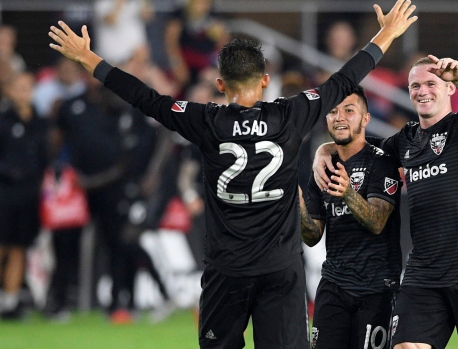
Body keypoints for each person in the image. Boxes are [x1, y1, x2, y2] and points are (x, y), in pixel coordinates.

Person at [48, 0, 417, 347]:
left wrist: (87, 57)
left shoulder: (206, 120)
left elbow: (145, 97)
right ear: (265, 80)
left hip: (227, 270)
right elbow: (343, 78)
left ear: (221, 84)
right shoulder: (290, 115)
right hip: (280, 271)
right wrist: (386, 34)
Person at [313, 55, 458, 349]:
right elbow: (360, 149)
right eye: (415, 86)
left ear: (449, 89)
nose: (422, 91)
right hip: (424, 272)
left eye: (431, 83)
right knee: (406, 346)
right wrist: (326, 147)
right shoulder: (404, 141)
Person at [299, 86, 402, 349]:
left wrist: (348, 193)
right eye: (333, 111)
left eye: (349, 110)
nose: (340, 117)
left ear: (365, 119)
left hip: (376, 288)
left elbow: (377, 222)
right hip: (334, 285)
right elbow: (311, 236)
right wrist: (296, 203)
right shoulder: (322, 169)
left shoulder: (382, 162)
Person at [0, 72, 48, 320]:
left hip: (30, 194)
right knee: (2, 247)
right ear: (9, 91)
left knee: (20, 248)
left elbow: (44, 158)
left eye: (27, 88)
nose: (23, 93)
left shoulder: (39, 122)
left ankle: (10, 301)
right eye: (18, 88)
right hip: (5, 193)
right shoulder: (3, 121)